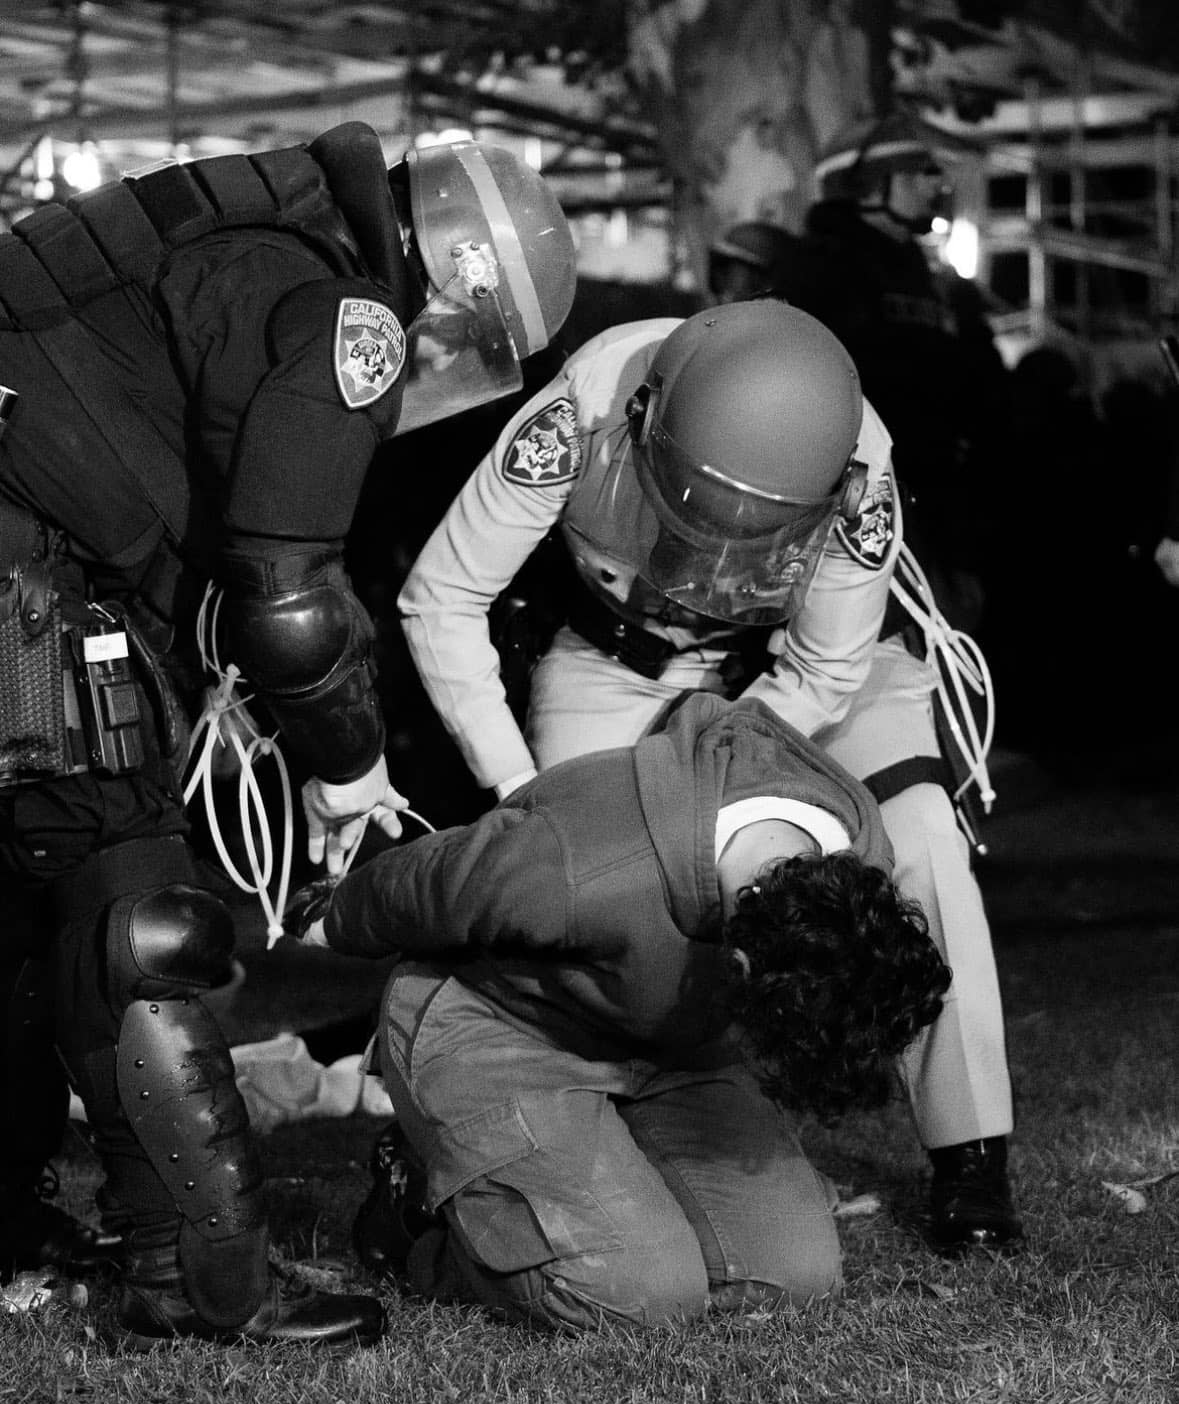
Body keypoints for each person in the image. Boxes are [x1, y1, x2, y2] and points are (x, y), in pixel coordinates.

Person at [0, 119, 576, 1344]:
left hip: (23, 524)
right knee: (129, 903)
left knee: (19, 899)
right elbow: (289, 594)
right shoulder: (344, 311)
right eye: (474, 347)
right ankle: (199, 1279)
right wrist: (347, 765)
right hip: (24, 560)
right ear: (458, 280)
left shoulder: (266, 227)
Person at [395, 298, 1024, 1253]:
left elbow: (826, 670)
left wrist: (719, 781)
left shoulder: (862, 467)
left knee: (925, 838)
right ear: (647, 421)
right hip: (624, 655)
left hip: (808, 678)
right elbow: (442, 595)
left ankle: (970, 1151)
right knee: (593, 893)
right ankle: (566, 1114)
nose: (725, 555)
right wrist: (529, 799)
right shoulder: (585, 407)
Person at [293, 690, 951, 1328]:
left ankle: (611, 1184)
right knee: (637, 1296)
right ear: (740, 966)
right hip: (503, 1029)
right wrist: (335, 916)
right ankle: (420, 1210)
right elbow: (437, 882)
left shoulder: (852, 851)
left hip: (671, 1041)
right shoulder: (581, 860)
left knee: (793, 1278)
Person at [779, 111, 1012, 634]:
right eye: (916, 174)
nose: (935, 186)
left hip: (938, 507)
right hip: (856, 509)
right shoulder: (823, 267)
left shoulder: (923, 274)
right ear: (864, 186)